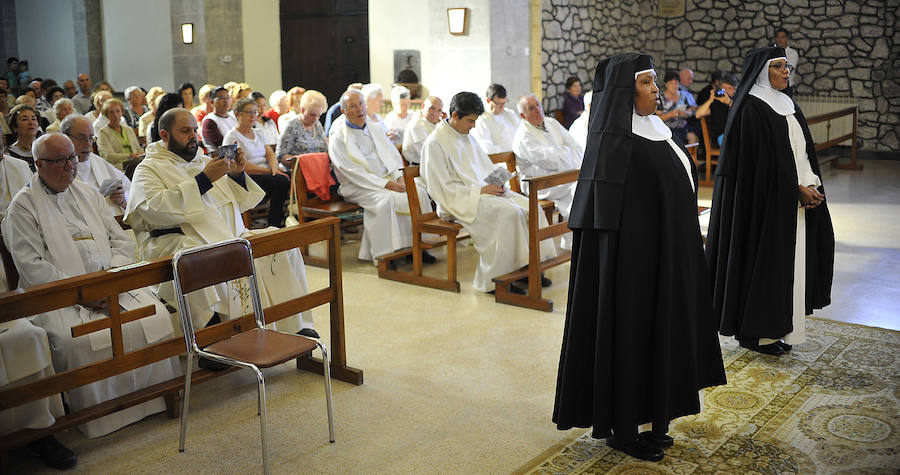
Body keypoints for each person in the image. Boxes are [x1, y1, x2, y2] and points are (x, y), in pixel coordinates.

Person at [553, 53, 726, 462]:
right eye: (647, 84)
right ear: (626, 92)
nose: (655, 91)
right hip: (632, 269)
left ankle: (654, 420)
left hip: (666, 256)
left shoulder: (654, 129)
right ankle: (624, 428)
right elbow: (607, 218)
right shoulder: (614, 140)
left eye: (653, 83)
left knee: (661, 334)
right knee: (631, 337)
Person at [2, 133, 180, 439]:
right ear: (39, 164)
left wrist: (111, 281)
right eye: (59, 161)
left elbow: (120, 239)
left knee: (157, 317)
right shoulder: (23, 208)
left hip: (111, 284)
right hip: (61, 296)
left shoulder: (87, 193)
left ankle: (155, 400)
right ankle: (96, 418)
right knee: (77, 342)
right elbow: (31, 264)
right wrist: (81, 292)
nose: (69, 167)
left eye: (72, 158)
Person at [124, 108, 317, 338]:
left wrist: (236, 174)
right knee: (198, 256)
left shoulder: (204, 161)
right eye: (185, 131)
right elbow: (152, 210)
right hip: (177, 240)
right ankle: (213, 336)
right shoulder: (149, 169)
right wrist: (204, 180)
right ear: (165, 135)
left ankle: (293, 323)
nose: (193, 136)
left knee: (281, 242)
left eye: (195, 130)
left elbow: (240, 203)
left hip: (232, 235)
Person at [706, 46, 834, 356]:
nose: (785, 71)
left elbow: (801, 152)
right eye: (778, 66)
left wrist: (809, 183)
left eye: (786, 66)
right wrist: (794, 189)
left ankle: (781, 329)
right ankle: (755, 334)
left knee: (788, 269)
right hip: (762, 210)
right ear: (763, 71)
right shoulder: (751, 108)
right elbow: (756, 171)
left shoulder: (789, 104)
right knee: (765, 266)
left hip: (793, 202)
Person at [421, 92, 557, 293]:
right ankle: (497, 279)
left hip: (483, 193)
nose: (473, 126)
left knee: (531, 207)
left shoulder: (465, 135)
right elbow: (441, 188)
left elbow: (483, 168)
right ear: (455, 115)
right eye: (470, 121)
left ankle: (529, 268)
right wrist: (481, 190)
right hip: (459, 201)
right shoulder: (435, 143)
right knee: (508, 214)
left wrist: (498, 181)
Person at [329, 89, 433, 264]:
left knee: (418, 192)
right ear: (343, 111)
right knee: (386, 201)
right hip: (357, 185)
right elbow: (352, 172)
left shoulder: (373, 127)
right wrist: (386, 185)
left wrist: (398, 177)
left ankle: (417, 247)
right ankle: (386, 255)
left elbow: (392, 155)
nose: (359, 109)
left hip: (388, 179)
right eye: (353, 106)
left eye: (361, 104)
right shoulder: (339, 137)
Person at [512, 93, 581, 224]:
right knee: (580, 187)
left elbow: (577, 148)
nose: (537, 110)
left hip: (562, 176)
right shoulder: (523, 136)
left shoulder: (551, 122)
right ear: (522, 115)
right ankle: (573, 237)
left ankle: (576, 235)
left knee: (585, 184)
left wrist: (560, 153)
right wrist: (566, 151)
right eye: (531, 108)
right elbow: (550, 161)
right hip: (539, 183)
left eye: (538, 105)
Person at [223, 97, 290, 228]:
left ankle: (276, 222)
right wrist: (271, 172)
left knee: (289, 176)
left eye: (255, 112)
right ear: (237, 114)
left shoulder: (259, 133)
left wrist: (274, 168)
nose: (253, 116)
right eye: (248, 112)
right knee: (282, 181)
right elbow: (235, 166)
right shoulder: (231, 137)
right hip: (245, 178)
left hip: (267, 175)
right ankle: (275, 224)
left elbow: (270, 154)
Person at [63, 115, 131, 216]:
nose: (88, 144)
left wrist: (122, 201)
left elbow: (131, 195)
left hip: (116, 224)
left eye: (90, 138)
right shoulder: (57, 167)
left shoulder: (98, 162)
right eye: (81, 138)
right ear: (66, 137)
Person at [276, 90, 328, 163]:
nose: (315, 119)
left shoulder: (317, 125)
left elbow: (325, 150)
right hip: (299, 171)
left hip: (318, 168)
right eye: (312, 115)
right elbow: (280, 156)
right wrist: (302, 162)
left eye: (318, 115)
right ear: (302, 110)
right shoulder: (291, 126)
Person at [470, 83, 520, 154]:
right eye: (498, 104)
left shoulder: (510, 114)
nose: (502, 107)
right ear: (488, 101)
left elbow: (520, 135)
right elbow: (487, 148)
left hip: (516, 157)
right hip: (498, 161)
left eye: (504, 103)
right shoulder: (481, 120)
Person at [96, 98, 143, 170]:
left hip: (135, 161)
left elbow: (138, 148)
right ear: (106, 114)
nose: (116, 115)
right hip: (117, 166)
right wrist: (130, 155)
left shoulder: (129, 130)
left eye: (118, 111)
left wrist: (141, 153)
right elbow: (108, 156)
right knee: (138, 163)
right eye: (111, 112)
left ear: (122, 112)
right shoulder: (103, 132)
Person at [695, 73, 737, 148]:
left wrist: (729, 103)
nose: (727, 91)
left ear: (734, 89)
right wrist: (711, 99)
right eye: (724, 88)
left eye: (730, 88)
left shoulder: (736, 102)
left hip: (736, 133)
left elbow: (742, 113)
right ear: (720, 88)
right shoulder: (715, 104)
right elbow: (698, 114)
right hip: (722, 136)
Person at [657, 71, 698, 144]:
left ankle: (690, 155)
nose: (674, 86)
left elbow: (692, 110)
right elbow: (658, 118)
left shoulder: (683, 96)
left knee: (693, 137)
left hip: (682, 126)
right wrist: (671, 114)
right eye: (671, 83)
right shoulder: (661, 99)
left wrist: (686, 113)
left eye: (676, 83)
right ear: (666, 84)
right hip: (667, 128)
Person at [401, 95, 442, 165]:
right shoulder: (415, 126)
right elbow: (428, 153)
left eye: (439, 110)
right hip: (418, 168)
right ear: (423, 106)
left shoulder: (437, 123)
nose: (435, 113)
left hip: (433, 163)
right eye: (432, 108)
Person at [201, 86, 237, 150]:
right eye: (221, 98)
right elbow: (224, 145)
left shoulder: (233, 117)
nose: (226, 101)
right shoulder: (209, 121)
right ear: (212, 102)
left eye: (228, 98)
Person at [7, 103, 41, 171]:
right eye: (24, 119)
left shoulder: (45, 150)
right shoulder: (8, 155)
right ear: (14, 127)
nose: (31, 122)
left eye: (33, 119)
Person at [774, 28, 799, 96]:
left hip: (786, 89)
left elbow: (787, 70)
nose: (779, 40)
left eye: (782, 37)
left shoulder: (792, 53)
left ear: (787, 39)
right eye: (778, 37)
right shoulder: (771, 52)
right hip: (773, 88)